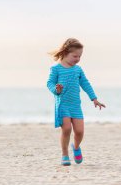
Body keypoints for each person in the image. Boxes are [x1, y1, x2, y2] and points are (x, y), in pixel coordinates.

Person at [47, 38, 106, 166]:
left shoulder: (78, 70)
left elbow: (85, 83)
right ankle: (64, 155)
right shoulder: (56, 68)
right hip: (62, 105)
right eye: (75, 56)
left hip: (75, 106)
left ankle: (76, 146)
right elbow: (49, 83)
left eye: (80, 56)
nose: (78, 59)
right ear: (65, 53)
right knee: (66, 129)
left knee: (79, 131)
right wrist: (56, 89)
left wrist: (94, 99)